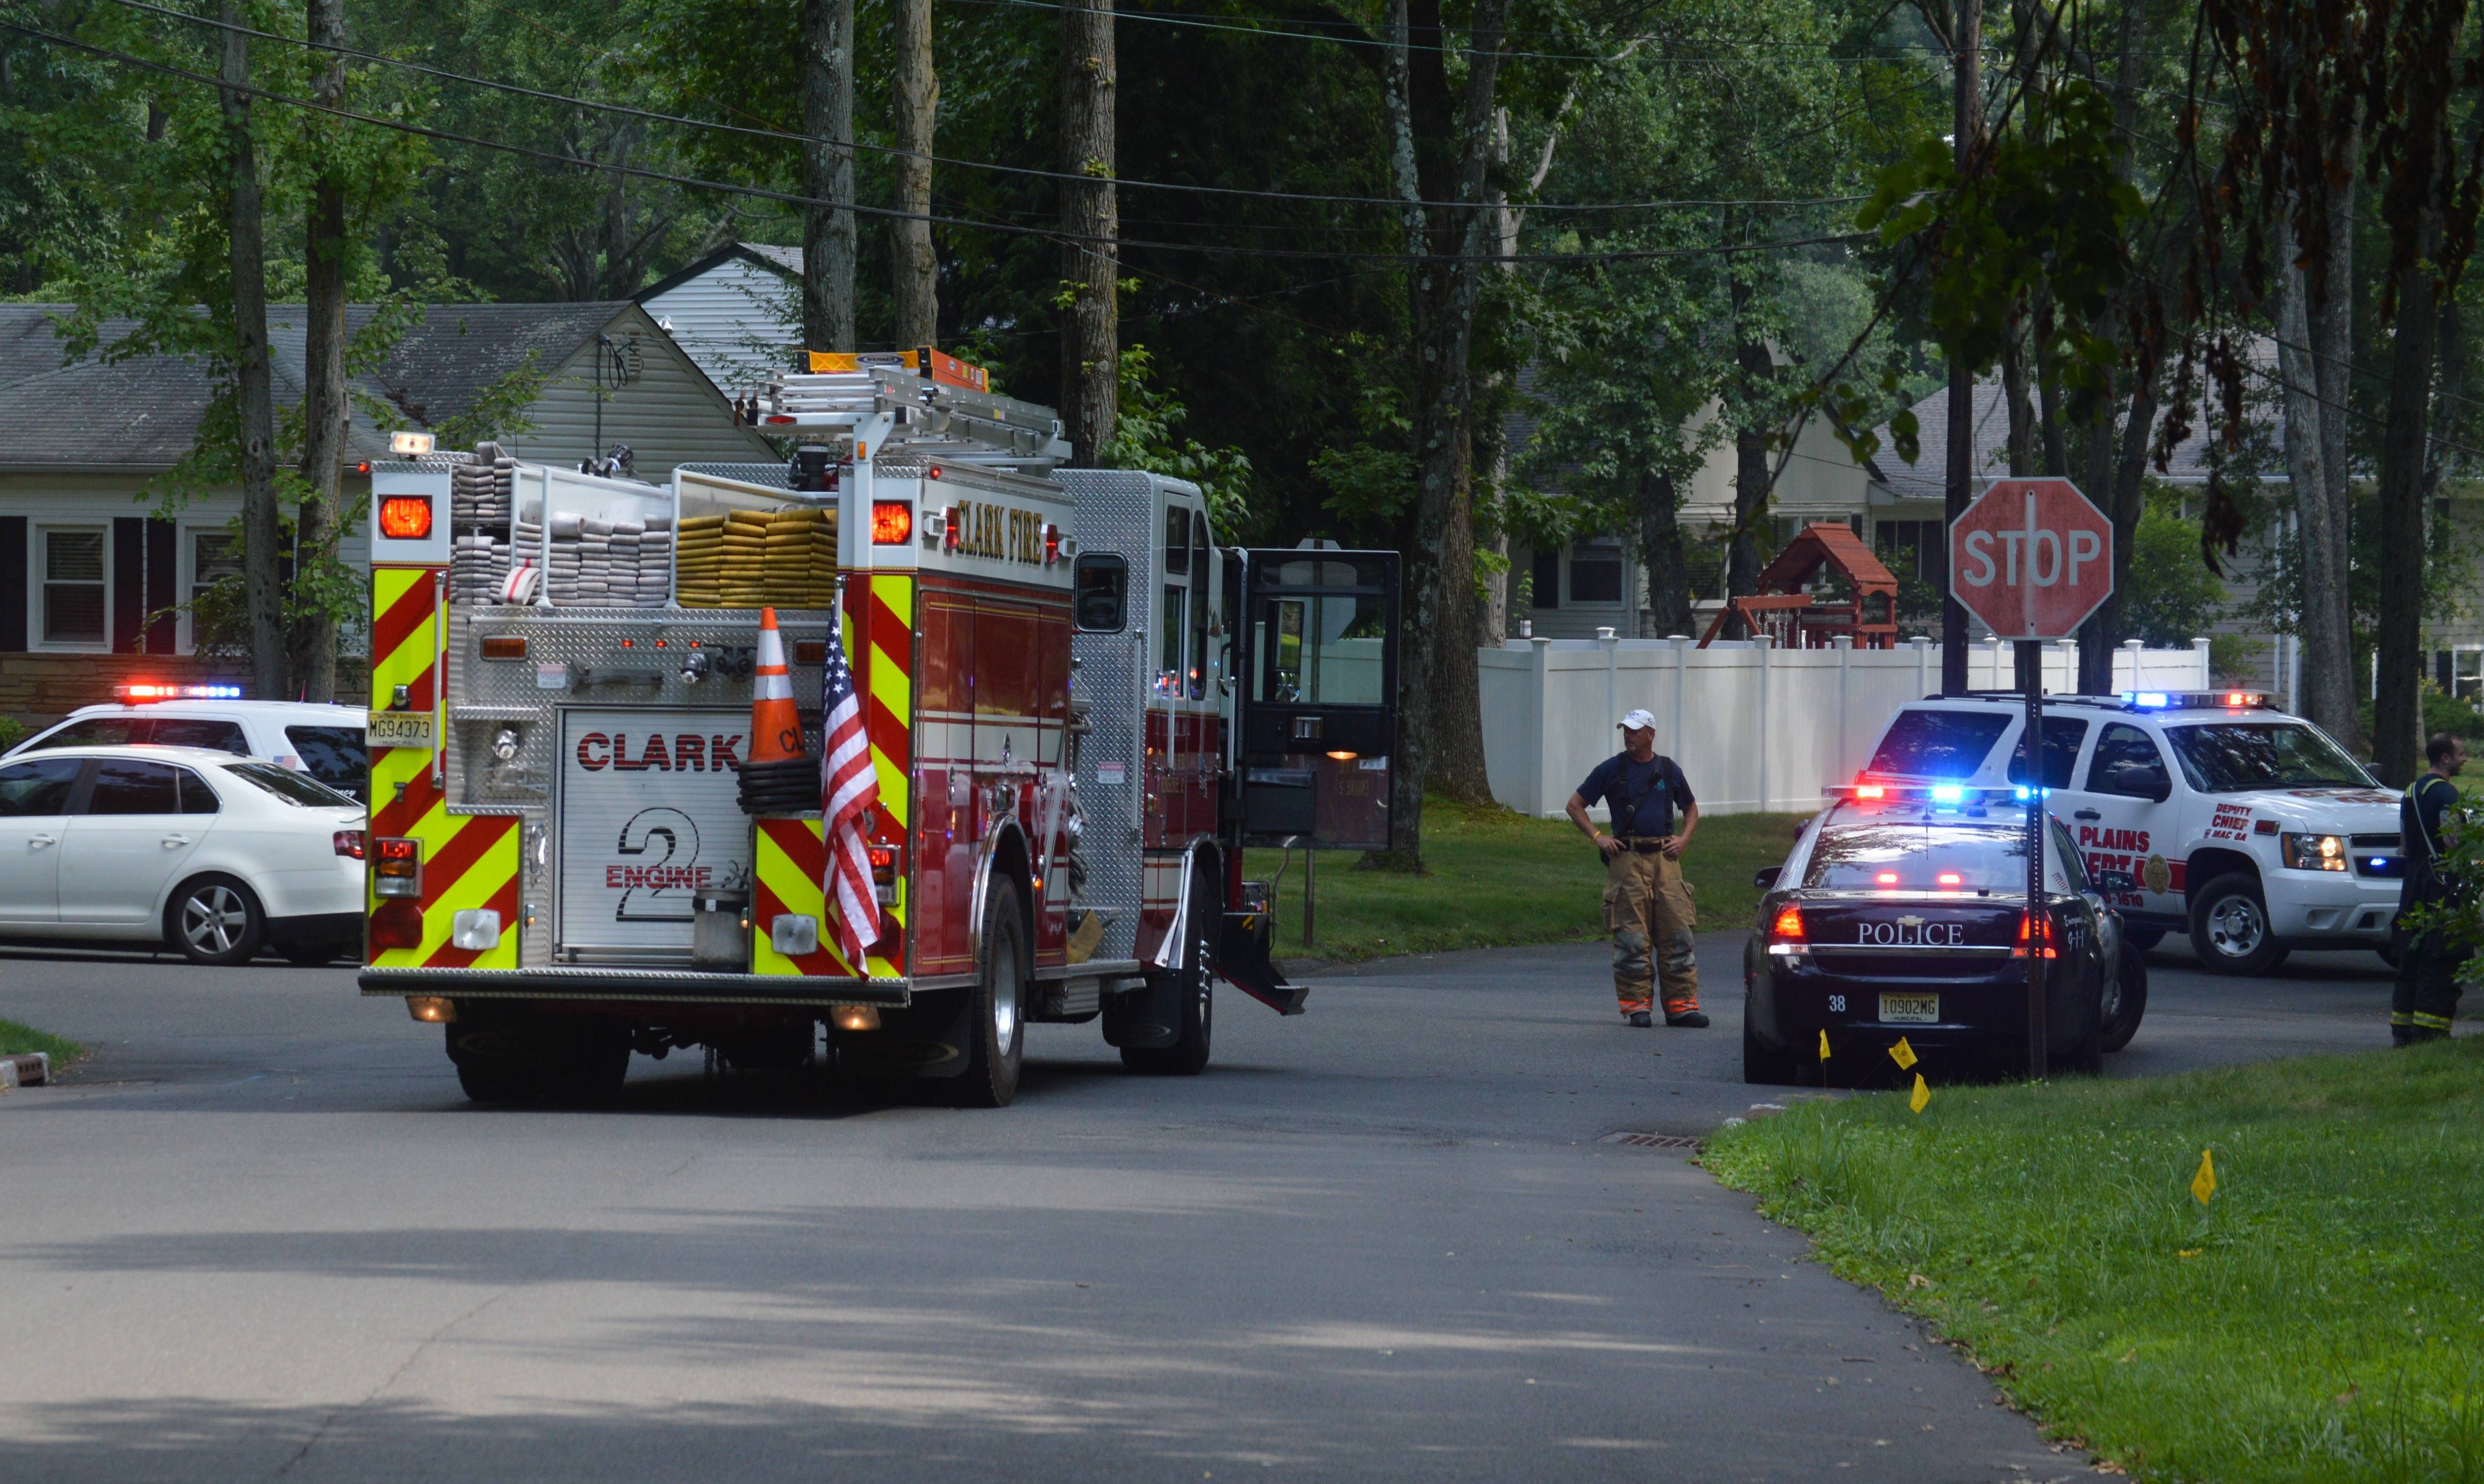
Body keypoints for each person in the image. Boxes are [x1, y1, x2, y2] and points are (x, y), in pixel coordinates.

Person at [1567, 709, 1706, 1029]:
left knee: (1678, 934)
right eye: (1625, 731)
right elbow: (1575, 806)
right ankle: (1637, 1008)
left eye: (1634, 731)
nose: (1628, 736)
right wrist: (1599, 838)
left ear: (1650, 734)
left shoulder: (1669, 770)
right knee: (1631, 938)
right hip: (1626, 861)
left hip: (1666, 862)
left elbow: (1691, 808)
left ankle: (1682, 1008)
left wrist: (1683, 841)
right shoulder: (1611, 770)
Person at [2392, 733, 2469, 1045]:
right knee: (2443, 954)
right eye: (2461, 754)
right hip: (2440, 883)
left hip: (2413, 881)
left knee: (2412, 952)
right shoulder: (2447, 795)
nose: (2466, 759)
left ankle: (2403, 1030)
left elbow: (2405, 846)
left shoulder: (2410, 792)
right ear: (2446, 759)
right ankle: (2432, 1032)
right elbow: (2454, 843)